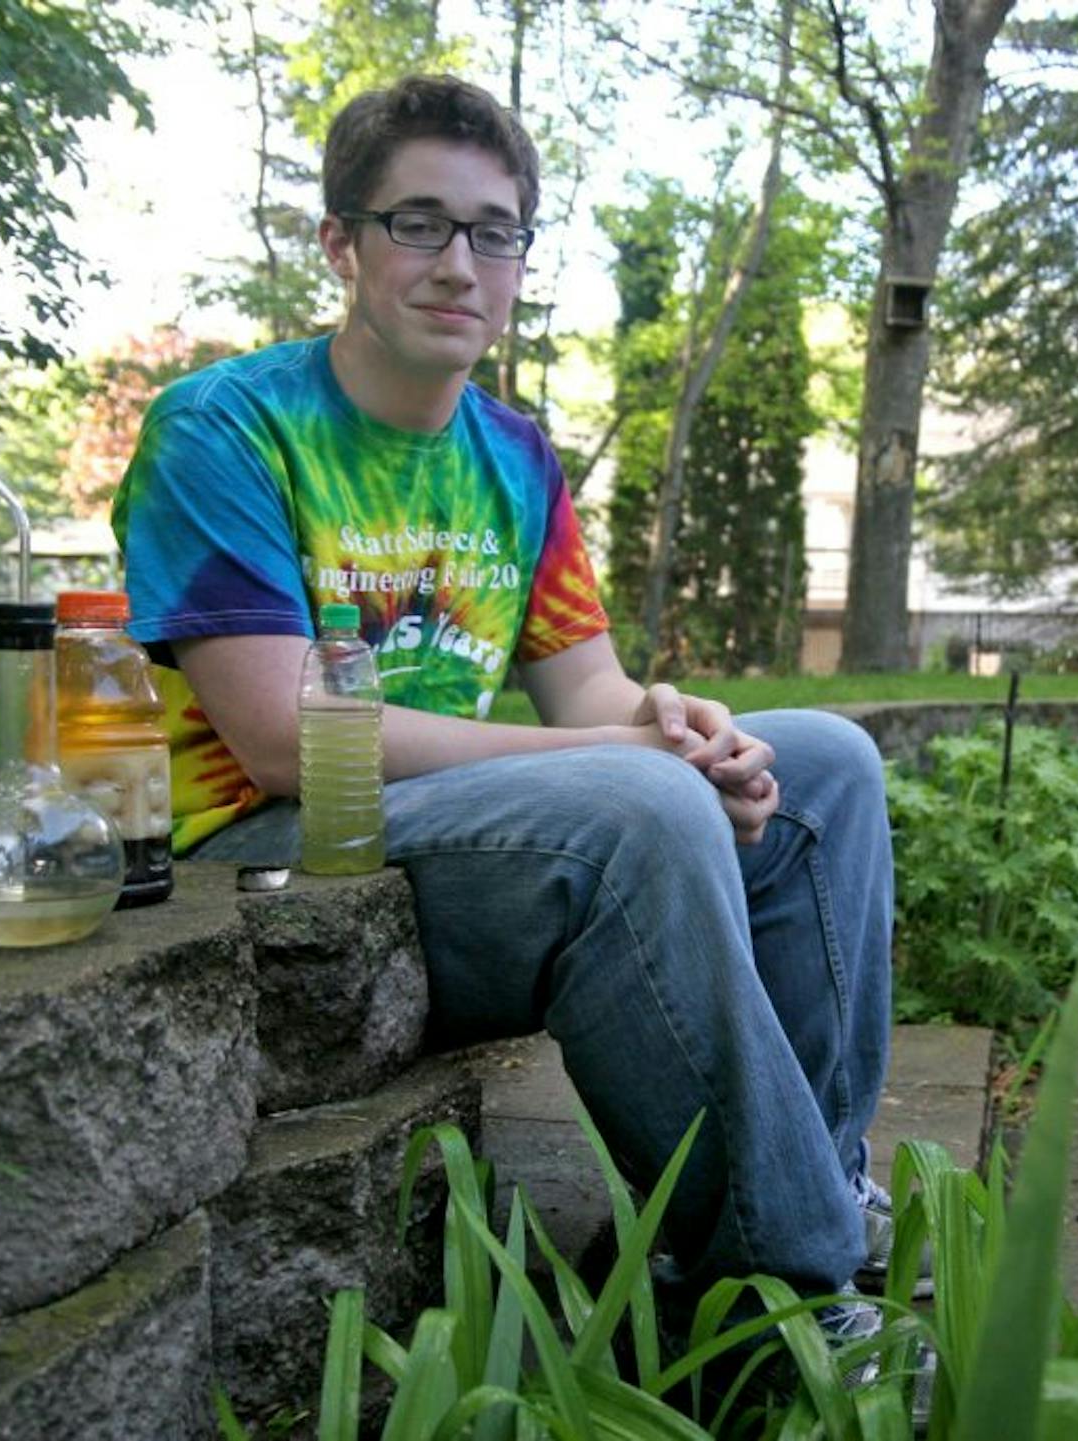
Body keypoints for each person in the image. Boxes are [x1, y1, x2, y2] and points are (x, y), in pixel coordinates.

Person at [109, 74, 896, 1325]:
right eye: (418, 223)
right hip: (272, 858)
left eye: (494, 231)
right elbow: (282, 740)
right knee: (637, 806)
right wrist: (629, 760)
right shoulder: (224, 430)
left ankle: (818, 1181)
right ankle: (780, 1301)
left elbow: (588, 689)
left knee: (827, 763)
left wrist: (678, 725)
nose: (458, 264)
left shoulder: (515, 456)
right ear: (342, 244)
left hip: (450, 836)